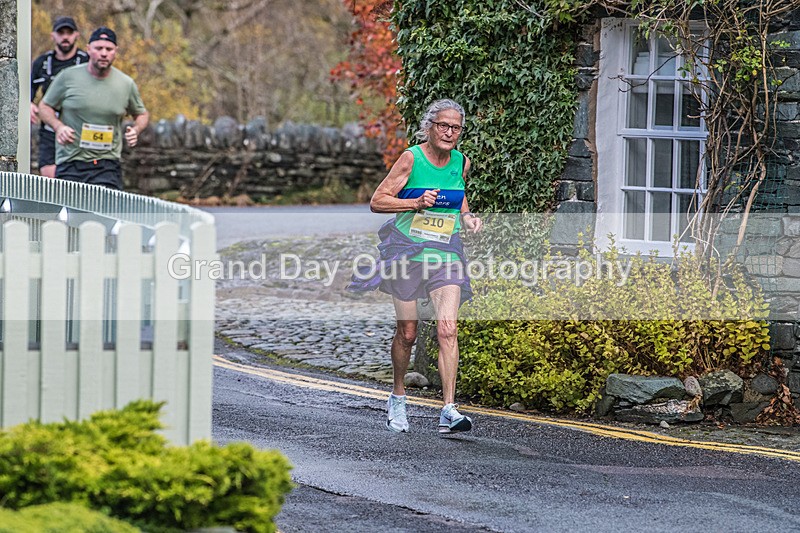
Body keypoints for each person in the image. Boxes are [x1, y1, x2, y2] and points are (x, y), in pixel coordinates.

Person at [351, 98, 483, 435]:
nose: (449, 132)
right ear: (430, 127)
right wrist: (415, 202)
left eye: (455, 128)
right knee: (408, 333)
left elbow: (459, 195)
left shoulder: (461, 162)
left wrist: (467, 217)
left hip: (446, 252)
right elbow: (377, 201)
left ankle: (449, 410)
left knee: (447, 329)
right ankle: (398, 397)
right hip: (408, 252)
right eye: (443, 126)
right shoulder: (412, 158)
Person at [38, 27, 149, 190]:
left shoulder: (126, 84)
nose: (104, 54)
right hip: (71, 163)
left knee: (106, 206)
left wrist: (136, 129)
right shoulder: (67, 76)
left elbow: (142, 114)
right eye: (98, 48)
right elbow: (44, 106)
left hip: (107, 165)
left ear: (115, 52)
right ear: (89, 49)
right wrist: (59, 127)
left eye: (109, 49)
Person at [30, 16, 89, 178]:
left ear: (76, 35)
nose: (65, 37)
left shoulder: (86, 62)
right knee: (50, 179)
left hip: (79, 129)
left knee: (80, 178)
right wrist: (29, 104)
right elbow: (28, 90)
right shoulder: (42, 62)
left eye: (69, 33)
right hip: (50, 128)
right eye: (61, 33)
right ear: (53, 36)